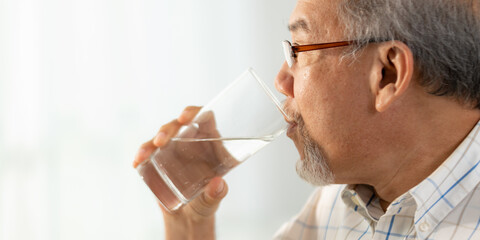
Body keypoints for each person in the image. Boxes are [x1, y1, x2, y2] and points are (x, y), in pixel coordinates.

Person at [133, 0, 480, 239]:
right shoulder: (341, 205)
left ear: (386, 74)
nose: (282, 80)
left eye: (298, 49)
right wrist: (189, 226)